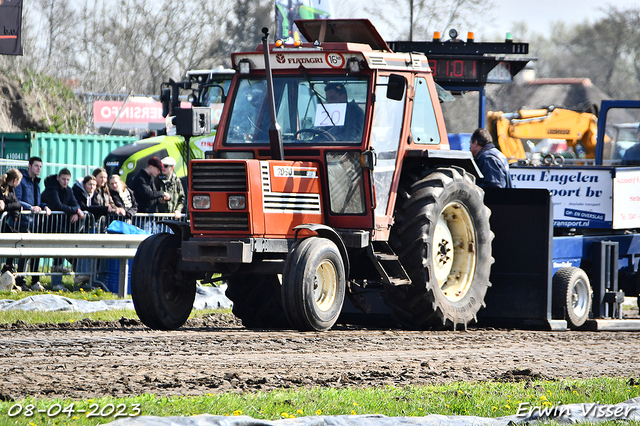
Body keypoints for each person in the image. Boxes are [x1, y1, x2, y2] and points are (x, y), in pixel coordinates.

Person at [41, 168, 86, 290]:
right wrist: (76, 211)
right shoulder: (51, 189)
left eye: (67, 180)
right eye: (63, 179)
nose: (65, 182)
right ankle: (57, 282)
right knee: (59, 253)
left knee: (65, 253)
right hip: (48, 226)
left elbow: (75, 203)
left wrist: (76, 210)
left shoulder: (68, 190)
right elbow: (58, 205)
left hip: (61, 226)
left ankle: (75, 276)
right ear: (58, 178)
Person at [14, 157, 51, 290]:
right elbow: (17, 200)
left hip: (35, 223)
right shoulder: (21, 180)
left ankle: (35, 280)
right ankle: (20, 280)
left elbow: (38, 202)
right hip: (22, 222)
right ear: (29, 166)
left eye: (40, 166)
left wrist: (45, 206)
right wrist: (31, 207)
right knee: (24, 253)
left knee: (36, 251)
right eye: (36, 166)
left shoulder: (36, 182)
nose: (39, 169)